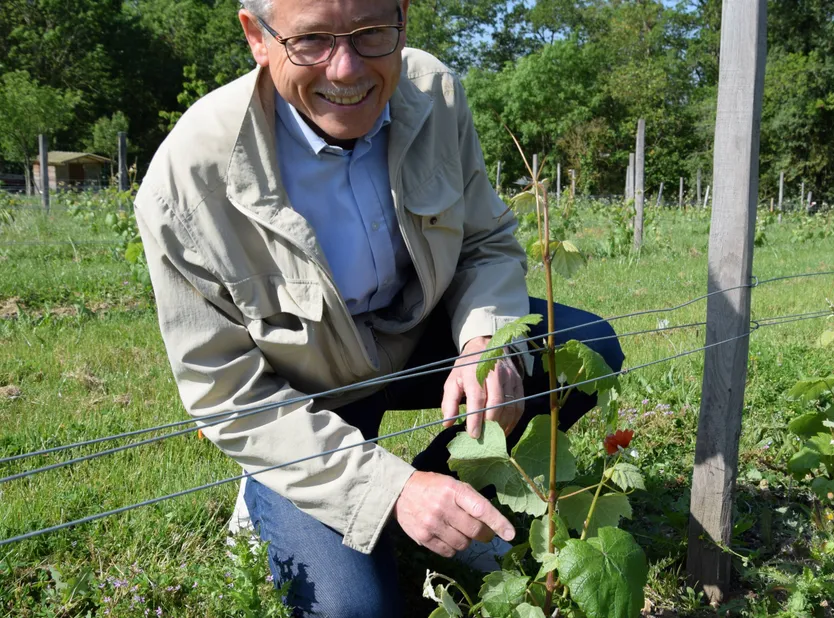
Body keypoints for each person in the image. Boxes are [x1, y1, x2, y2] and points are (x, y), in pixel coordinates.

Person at [133, 0, 623, 615]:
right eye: (311, 41)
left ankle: (455, 495)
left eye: (370, 33)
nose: (346, 69)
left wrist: (487, 341)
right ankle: (286, 489)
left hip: (414, 339)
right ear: (257, 36)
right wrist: (390, 490)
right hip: (303, 398)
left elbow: (484, 242)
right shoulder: (186, 182)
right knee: (356, 610)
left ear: (403, 19)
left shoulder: (434, 93)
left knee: (582, 349)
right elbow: (227, 394)